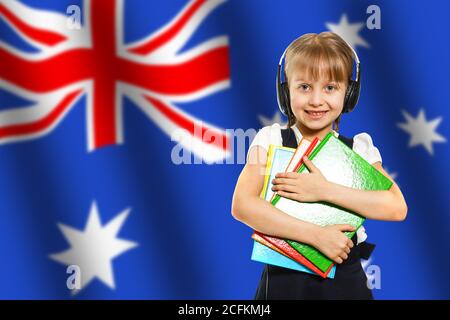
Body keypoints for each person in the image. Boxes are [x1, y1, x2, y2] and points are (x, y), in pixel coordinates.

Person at [231, 32, 408, 300]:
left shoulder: (358, 149)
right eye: (304, 87)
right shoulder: (271, 139)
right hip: (284, 275)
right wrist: (315, 236)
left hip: (344, 275)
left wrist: (323, 190)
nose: (316, 100)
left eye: (330, 88)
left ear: (349, 93)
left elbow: (396, 207)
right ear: (285, 90)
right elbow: (243, 205)